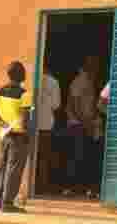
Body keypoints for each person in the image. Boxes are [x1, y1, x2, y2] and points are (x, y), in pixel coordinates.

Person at [0, 61, 33, 213]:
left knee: (2, 167)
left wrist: (4, 125)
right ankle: (7, 203)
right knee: (14, 170)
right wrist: (27, 135)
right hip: (19, 136)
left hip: (5, 135)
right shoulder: (24, 94)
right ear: (23, 76)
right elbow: (25, 119)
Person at [65, 56, 102, 198]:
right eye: (93, 65)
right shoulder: (80, 81)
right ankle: (69, 187)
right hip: (78, 125)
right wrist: (85, 123)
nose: (96, 69)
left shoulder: (88, 81)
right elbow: (74, 104)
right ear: (87, 65)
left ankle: (81, 188)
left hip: (84, 123)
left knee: (83, 156)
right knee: (76, 156)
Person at [35, 67, 63, 195]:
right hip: (46, 124)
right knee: (44, 159)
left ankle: (33, 186)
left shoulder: (32, 79)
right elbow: (56, 105)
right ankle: (41, 187)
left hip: (31, 125)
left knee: (33, 158)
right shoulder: (53, 82)